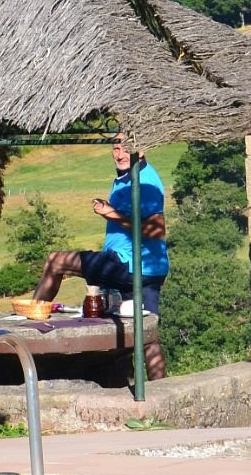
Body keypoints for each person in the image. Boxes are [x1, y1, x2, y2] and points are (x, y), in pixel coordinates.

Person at [32, 134, 168, 379]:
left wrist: (111, 213)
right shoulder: (128, 176)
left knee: (56, 261)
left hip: (127, 265)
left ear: (143, 149)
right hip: (151, 270)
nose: (120, 154)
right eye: (116, 148)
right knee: (147, 332)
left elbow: (156, 231)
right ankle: (160, 389)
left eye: (126, 148)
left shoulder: (146, 181)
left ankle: (30, 328)